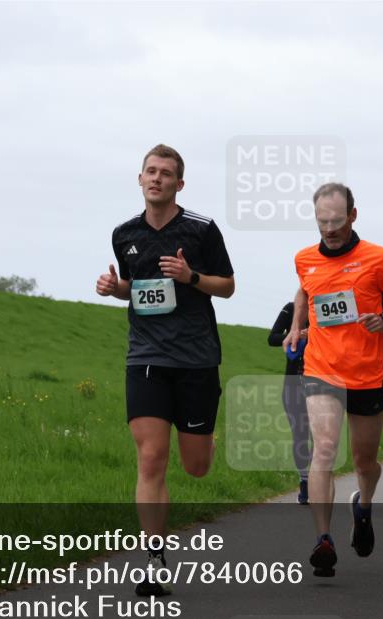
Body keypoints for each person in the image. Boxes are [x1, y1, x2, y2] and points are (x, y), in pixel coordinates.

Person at [96, 144, 235, 596]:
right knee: (151, 457)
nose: (156, 178)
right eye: (150, 172)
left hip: (196, 360)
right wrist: (116, 288)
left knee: (196, 467)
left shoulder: (201, 229)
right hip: (146, 358)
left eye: (166, 173)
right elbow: (136, 290)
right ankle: (153, 560)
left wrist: (190, 277)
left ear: (179, 183)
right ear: (139, 180)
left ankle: (202, 438)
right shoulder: (124, 233)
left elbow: (228, 287)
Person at [282, 183, 383, 577]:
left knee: (365, 461)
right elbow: (306, 291)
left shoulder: (378, 258)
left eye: (337, 221)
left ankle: (364, 506)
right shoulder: (304, 258)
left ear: (353, 216)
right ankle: (324, 539)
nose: (329, 229)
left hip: (367, 374)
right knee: (324, 449)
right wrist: (295, 326)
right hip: (321, 369)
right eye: (322, 221)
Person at [267, 302, 311, 504]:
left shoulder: (325, 307)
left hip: (323, 381)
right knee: (300, 435)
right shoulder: (292, 308)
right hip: (294, 383)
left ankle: (320, 482)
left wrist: (315, 335)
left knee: (322, 437)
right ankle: (304, 482)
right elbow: (272, 338)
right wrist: (295, 335)